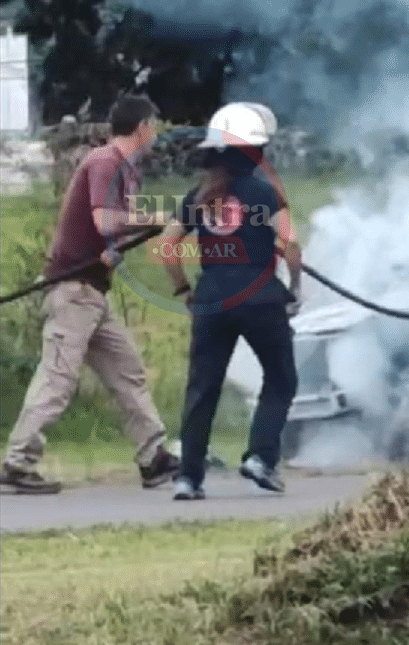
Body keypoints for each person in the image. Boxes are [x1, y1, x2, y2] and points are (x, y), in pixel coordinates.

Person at [1, 95, 181, 495]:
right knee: (57, 380)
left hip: (93, 291)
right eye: (153, 126)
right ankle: (17, 463)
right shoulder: (106, 162)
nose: (155, 134)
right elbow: (106, 221)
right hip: (74, 292)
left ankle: (153, 457)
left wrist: (126, 243)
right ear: (142, 127)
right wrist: (156, 218)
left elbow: (110, 234)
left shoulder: (125, 172)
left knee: (127, 371)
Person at [159, 101, 302, 501]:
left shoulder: (199, 196)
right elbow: (290, 245)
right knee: (281, 378)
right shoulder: (265, 193)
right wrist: (295, 287)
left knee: (202, 388)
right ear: (254, 152)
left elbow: (168, 245)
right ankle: (261, 458)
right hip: (260, 298)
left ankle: (188, 478)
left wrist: (184, 290)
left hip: (212, 301)